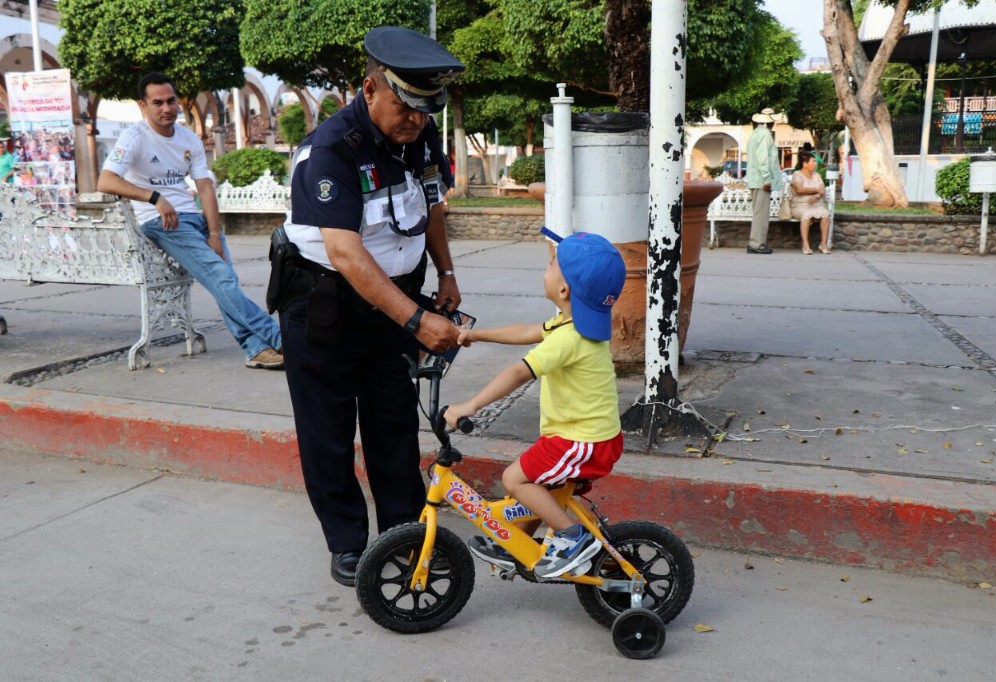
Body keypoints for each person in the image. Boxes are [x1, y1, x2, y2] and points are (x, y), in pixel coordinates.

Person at [278, 27, 465, 587]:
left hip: (396, 302)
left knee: (392, 422)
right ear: (369, 88)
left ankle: (402, 530)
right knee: (328, 432)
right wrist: (415, 319)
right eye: (405, 106)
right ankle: (347, 542)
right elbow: (345, 251)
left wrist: (447, 273)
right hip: (325, 305)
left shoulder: (421, 137)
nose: (416, 120)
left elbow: (433, 205)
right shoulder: (330, 150)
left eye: (426, 110)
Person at [444, 231, 626, 579]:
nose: (546, 268)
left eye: (551, 264)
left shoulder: (569, 339)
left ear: (563, 290)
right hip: (583, 437)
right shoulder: (568, 324)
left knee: (515, 479)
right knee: (539, 484)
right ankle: (517, 543)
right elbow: (528, 331)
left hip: (582, 442)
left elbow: (518, 372)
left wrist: (470, 405)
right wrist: (477, 334)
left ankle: (572, 538)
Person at [98, 73, 283, 370]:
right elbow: (105, 180)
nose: (166, 108)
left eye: (171, 100)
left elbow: (205, 186)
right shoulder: (134, 136)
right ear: (143, 105)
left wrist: (213, 231)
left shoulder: (188, 138)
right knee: (221, 279)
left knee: (225, 281)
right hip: (164, 223)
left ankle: (255, 349)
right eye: (157, 103)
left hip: (196, 219)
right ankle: (281, 338)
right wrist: (154, 197)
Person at [745, 107, 784, 255]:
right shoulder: (765, 134)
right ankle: (757, 244)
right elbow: (763, 159)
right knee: (761, 214)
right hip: (762, 181)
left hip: (755, 179)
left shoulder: (755, 134)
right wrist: (767, 179)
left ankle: (755, 243)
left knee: (758, 213)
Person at [791, 150, 831, 255]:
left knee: (825, 214)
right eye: (813, 161)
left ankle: (823, 244)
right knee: (807, 215)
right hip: (799, 206)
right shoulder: (797, 174)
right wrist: (816, 190)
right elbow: (799, 190)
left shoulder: (817, 175)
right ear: (805, 164)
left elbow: (822, 189)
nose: (815, 163)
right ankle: (805, 244)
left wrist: (818, 195)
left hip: (816, 204)